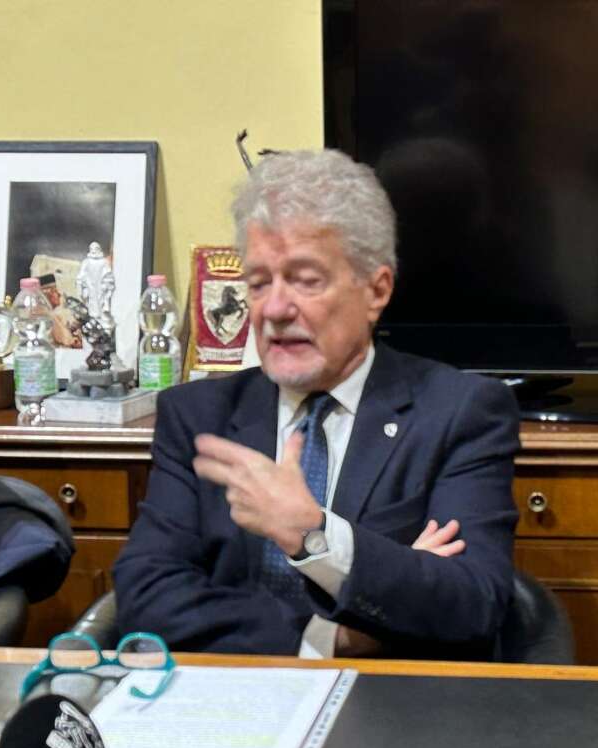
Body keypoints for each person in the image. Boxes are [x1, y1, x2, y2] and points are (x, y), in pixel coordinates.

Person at [112, 149, 520, 658]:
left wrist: (314, 535)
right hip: (226, 694)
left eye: (306, 281)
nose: (275, 309)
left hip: (387, 700)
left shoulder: (460, 412)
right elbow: (146, 597)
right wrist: (331, 636)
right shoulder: (197, 416)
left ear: (376, 290)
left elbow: (471, 604)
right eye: (259, 283)